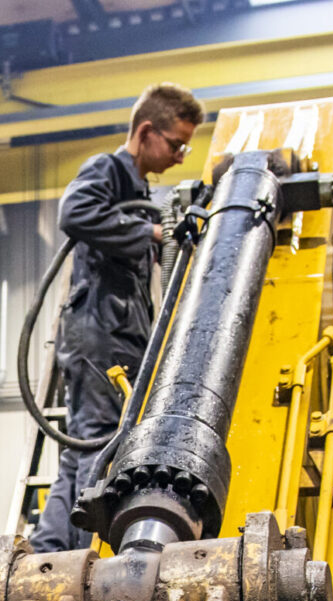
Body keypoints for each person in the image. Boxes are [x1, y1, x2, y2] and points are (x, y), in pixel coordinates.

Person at [30, 81, 204, 553]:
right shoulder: (106, 170)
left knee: (85, 446)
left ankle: (50, 546)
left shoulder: (142, 190)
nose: (180, 154)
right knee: (101, 443)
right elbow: (75, 211)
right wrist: (152, 230)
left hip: (118, 333)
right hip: (100, 333)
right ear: (146, 132)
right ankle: (86, 554)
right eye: (176, 143)